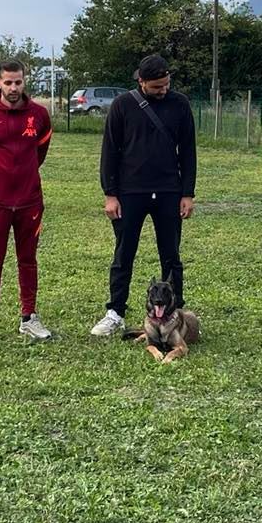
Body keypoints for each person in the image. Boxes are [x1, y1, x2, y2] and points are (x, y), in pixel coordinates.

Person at [90, 54, 197, 336]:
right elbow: (109, 151)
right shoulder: (122, 105)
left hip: (168, 191)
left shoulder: (180, 104)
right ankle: (115, 312)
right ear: (141, 81)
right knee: (124, 254)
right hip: (129, 192)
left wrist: (188, 192)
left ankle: (176, 314)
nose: (163, 90)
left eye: (166, 84)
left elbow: (188, 151)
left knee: (171, 256)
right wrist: (110, 194)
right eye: (156, 87)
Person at [0, 59, 53, 341]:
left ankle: (29, 317)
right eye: (8, 82)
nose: (13, 88)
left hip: (29, 201)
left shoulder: (39, 115)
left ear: (24, 82)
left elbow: (39, 154)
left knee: (27, 260)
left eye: (18, 82)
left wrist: (23, 178)